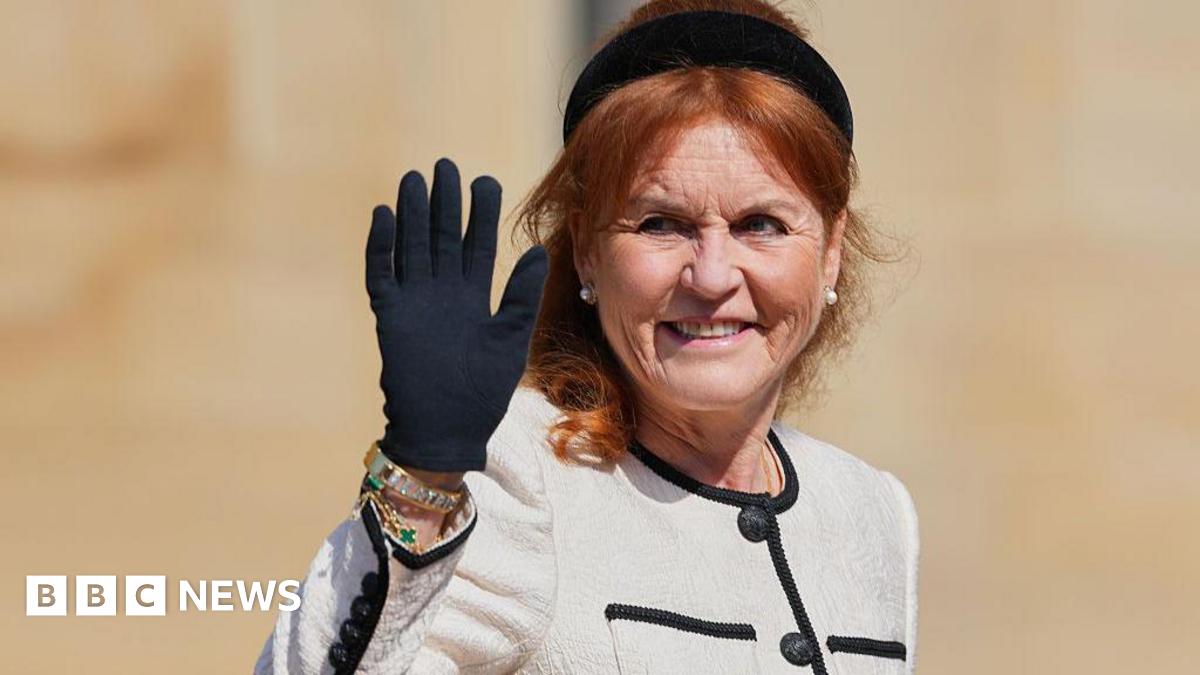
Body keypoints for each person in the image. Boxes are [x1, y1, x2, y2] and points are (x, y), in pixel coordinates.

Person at [254, 1, 918, 673]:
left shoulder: (874, 511)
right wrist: (420, 478)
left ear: (831, 250)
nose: (713, 275)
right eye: (661, 224)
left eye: (761, 224)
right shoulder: (518, 474)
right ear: (588, 252)